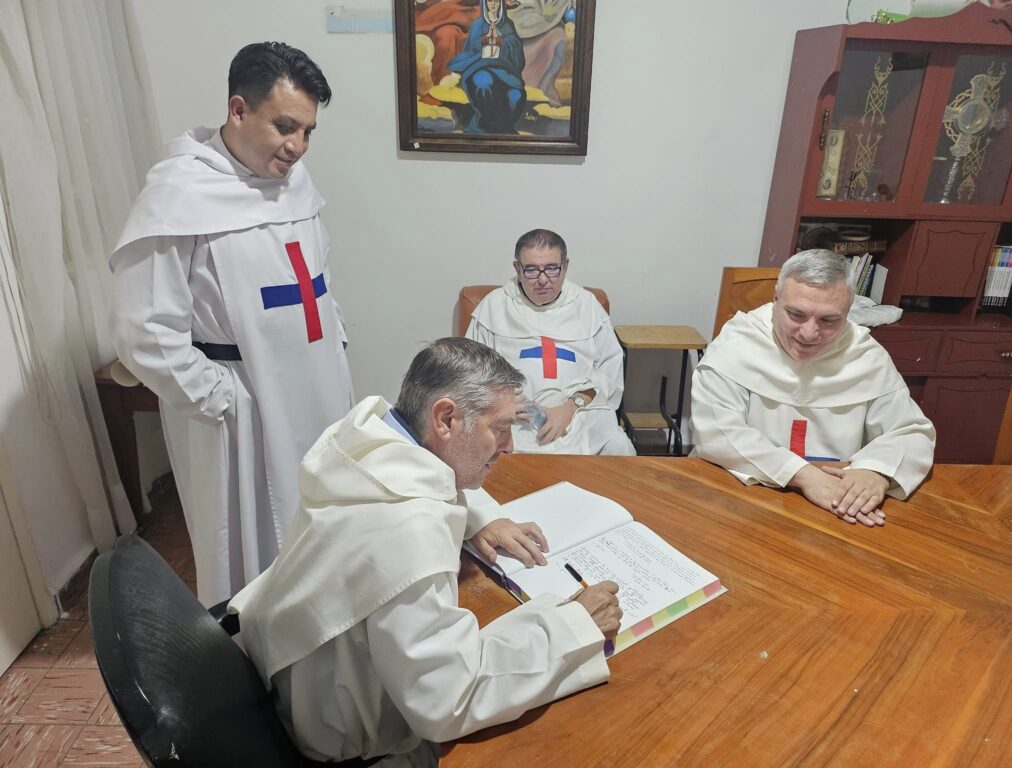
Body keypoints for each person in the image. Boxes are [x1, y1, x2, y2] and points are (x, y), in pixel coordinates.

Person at [229, 337, 620, 766]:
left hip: (278, 674)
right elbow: (449, 699)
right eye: (500, 427)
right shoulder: (410, 531)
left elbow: (424, 477)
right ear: (447, 418)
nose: (509, 446)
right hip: (343, 746)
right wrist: (574, 626)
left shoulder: (365, 441)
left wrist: (478, 517)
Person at [109, 42, 355, 606]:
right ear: (239, 109)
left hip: (318, 391)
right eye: (285, 126)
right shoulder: (179, 194)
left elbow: (315, 275)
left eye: (308, 131)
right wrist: (219, 396)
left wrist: (334, 337)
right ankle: (254, 668)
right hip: (240, 406)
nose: (297, 147)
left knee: (324, 526)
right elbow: (142, 328)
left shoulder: (294, 180)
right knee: (253, 550)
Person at [690, 249, 935, 527]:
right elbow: (717, 433)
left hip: (837, 510)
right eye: (796, 314)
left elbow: (910, 431)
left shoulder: (866, 355)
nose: (808, 333)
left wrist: (876, 470)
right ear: (775, 299)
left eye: (828, 320)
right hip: (741, 501)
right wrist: (802, 474)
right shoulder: (737, 345)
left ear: (848, 311)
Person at [466, 228, 636, 456]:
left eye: (552, 268)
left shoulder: (587, 305)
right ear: (517, 268)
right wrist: (504, 402)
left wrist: (570, 408)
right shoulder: (494, 307)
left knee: (620, 447)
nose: (543, 279)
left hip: (579, 418)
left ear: (565, 266)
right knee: (480, 447)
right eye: (532, 270)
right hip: (513, 419)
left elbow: (609, 371)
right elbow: (470, 373)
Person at [447, 0, 527, 133]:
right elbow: (471, 50)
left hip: (505, 72)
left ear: (501, 3)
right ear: (485, 3)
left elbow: (517, 55)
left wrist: (503, 42)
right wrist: (483, 42)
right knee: (483, 81)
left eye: (497, 1)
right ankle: (493, 128)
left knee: (516, 95)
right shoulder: (478, 24)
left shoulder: (507, 25)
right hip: (479, 67)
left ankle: (497, 128)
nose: (493, 4)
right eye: (490, 1)